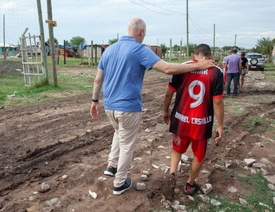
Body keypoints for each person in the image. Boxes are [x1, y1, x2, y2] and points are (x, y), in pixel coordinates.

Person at [90, 17, 215, 195]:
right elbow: (167, 68)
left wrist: (94, 101)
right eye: (144, 34)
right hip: (128, 107)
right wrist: (198, 65)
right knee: (127, 144)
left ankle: (111, 165)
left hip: (109, 106)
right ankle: (119, 183)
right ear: (140, 32)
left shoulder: (109, 50)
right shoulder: (139, 49)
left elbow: (98, 79)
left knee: (119, 133)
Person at [163, 44, 224, 196]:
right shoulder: (216, 72)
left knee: (177, 148)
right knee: (199, 154)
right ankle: (189, 184)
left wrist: (165, 111)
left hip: (181, 119)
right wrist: (220, 125)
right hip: (201, 123)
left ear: (193, 55)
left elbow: (169, 93)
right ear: (210, 57)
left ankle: (172, 174)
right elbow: (217, 101)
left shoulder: (182, 68)